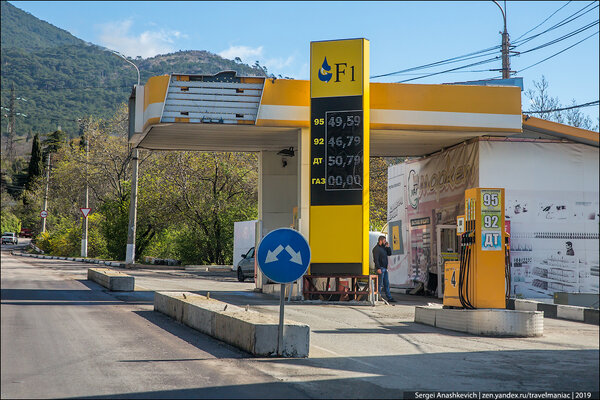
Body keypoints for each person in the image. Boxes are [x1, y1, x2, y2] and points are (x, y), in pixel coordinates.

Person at [372, 235, 395, 303]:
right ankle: (378, 296)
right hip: (380, 268)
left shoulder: (384, 248)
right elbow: (376, 259)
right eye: (384, 241)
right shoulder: (376, 249)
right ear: (380, 241)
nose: (385, 242)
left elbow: (389, 253)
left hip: (385, 268)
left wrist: (388, 247)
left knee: (386, 283)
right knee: (379, 283)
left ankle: (389, 297)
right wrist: (378, 268)